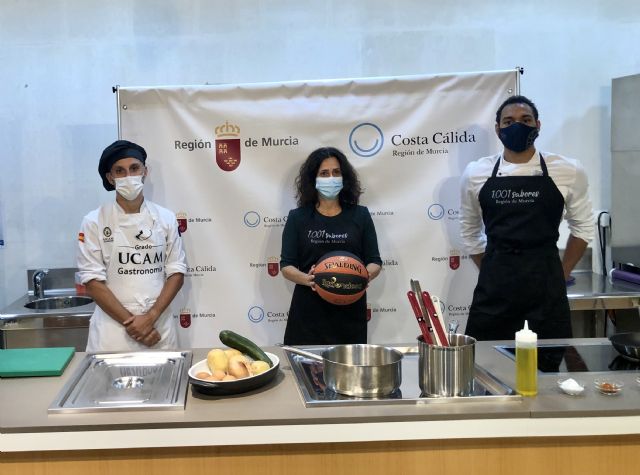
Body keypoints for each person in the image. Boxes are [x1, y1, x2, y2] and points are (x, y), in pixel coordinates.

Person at [459, 95, 594, 340]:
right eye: (508, 121)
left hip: (546, 290)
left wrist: (561, 274)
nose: (517, 126)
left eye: (525, 119)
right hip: (494, 291)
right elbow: (469, 231)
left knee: (546, 368)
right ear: (498, 129)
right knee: (486, 364)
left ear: (538, 126)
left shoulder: (567, 169)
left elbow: (583, 227)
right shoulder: (475, 173)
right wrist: (492, 269)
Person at [77, 140, 187, 351]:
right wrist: (133, 324)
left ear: (145, 171)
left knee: (164, 383)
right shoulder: (94, 221)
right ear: (110, 177)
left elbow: (176, 273)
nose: (129, 176)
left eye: (134, 168)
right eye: (120, 171)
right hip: (113, 332)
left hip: (157, 329)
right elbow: (92, 282)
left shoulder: (166, 218)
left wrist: (150, 318)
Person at [280, 147, 382, 345]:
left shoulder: (360, 215)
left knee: (349, 374)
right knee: (306, 374)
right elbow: (286, 266)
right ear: (313, 179)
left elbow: (375, 261)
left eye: (336, 172)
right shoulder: (297, 218)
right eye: (324, 173)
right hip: (308, 313)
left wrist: (363, 275)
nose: (331, 178)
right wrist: (309, 279)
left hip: (350, 311)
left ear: (344, 177)